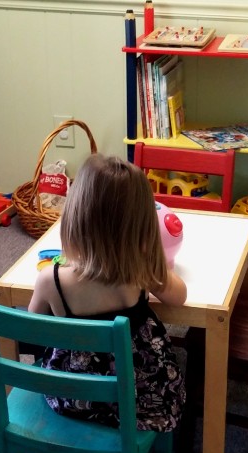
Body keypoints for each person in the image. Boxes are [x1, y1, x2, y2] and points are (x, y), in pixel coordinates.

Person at [28, 154, 188, 432]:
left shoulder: (49, 280)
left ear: (75, 216)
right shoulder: (142, 270)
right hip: (139, 402)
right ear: (142, 225)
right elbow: (180, 296)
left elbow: (33, 330)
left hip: (74, 398)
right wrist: (153, 259)